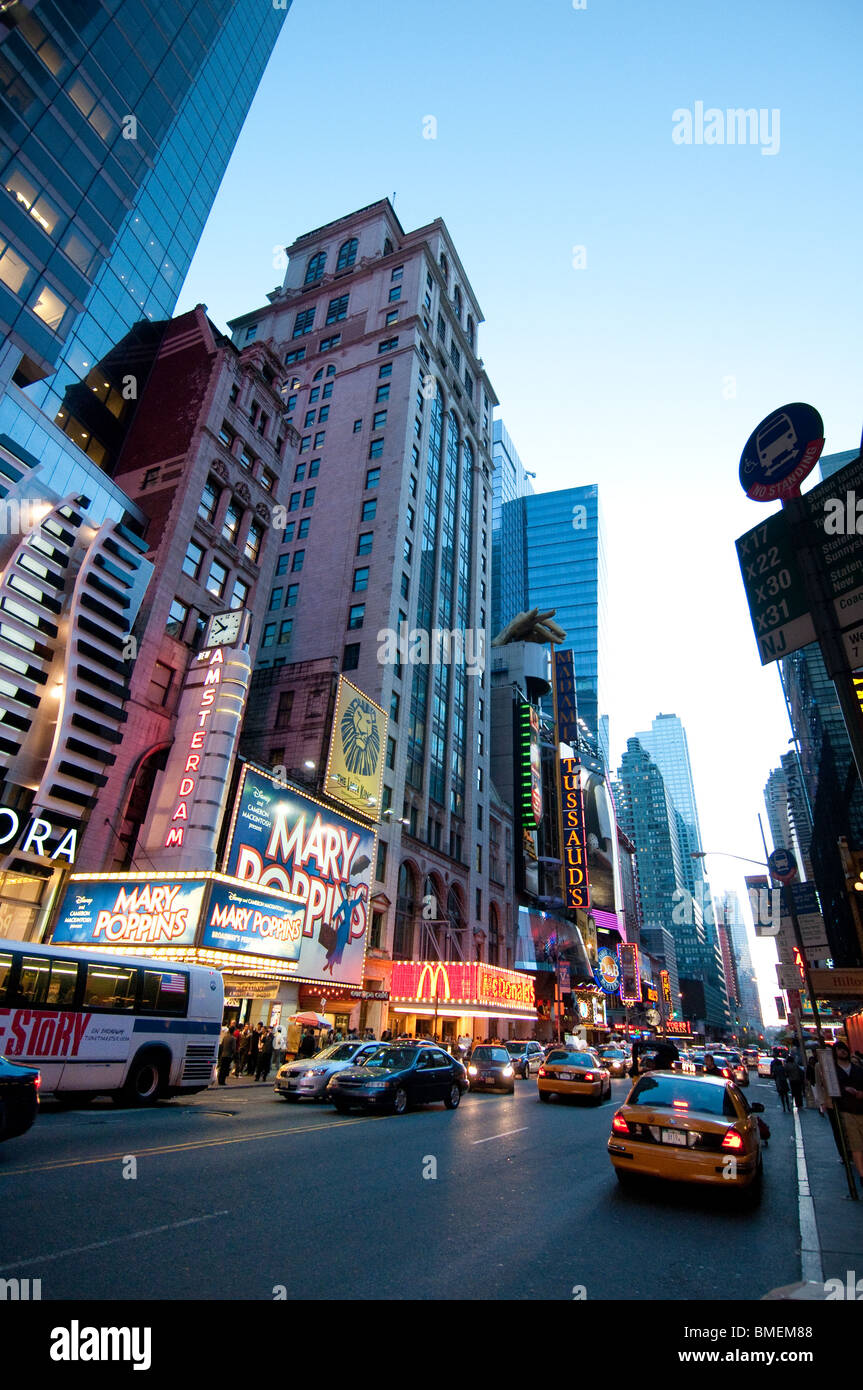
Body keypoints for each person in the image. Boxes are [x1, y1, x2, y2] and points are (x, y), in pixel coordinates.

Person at [833, 1039, 863, 1190]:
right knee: (856, 1144)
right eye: (839, 1049)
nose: (842, 1051)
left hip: (860, 1108)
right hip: (846, 1110)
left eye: (843, 1049)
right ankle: (862, 1176)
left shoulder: (858, 1070)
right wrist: (845, 1090)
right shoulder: (834, 1072)